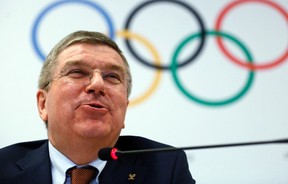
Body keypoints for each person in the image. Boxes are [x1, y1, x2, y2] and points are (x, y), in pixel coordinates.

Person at [0, 30, 195, 184]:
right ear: (43, 104)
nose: (98, 84)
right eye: (77, 72)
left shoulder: (165, 168)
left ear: (124, 108)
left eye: (112, 76)